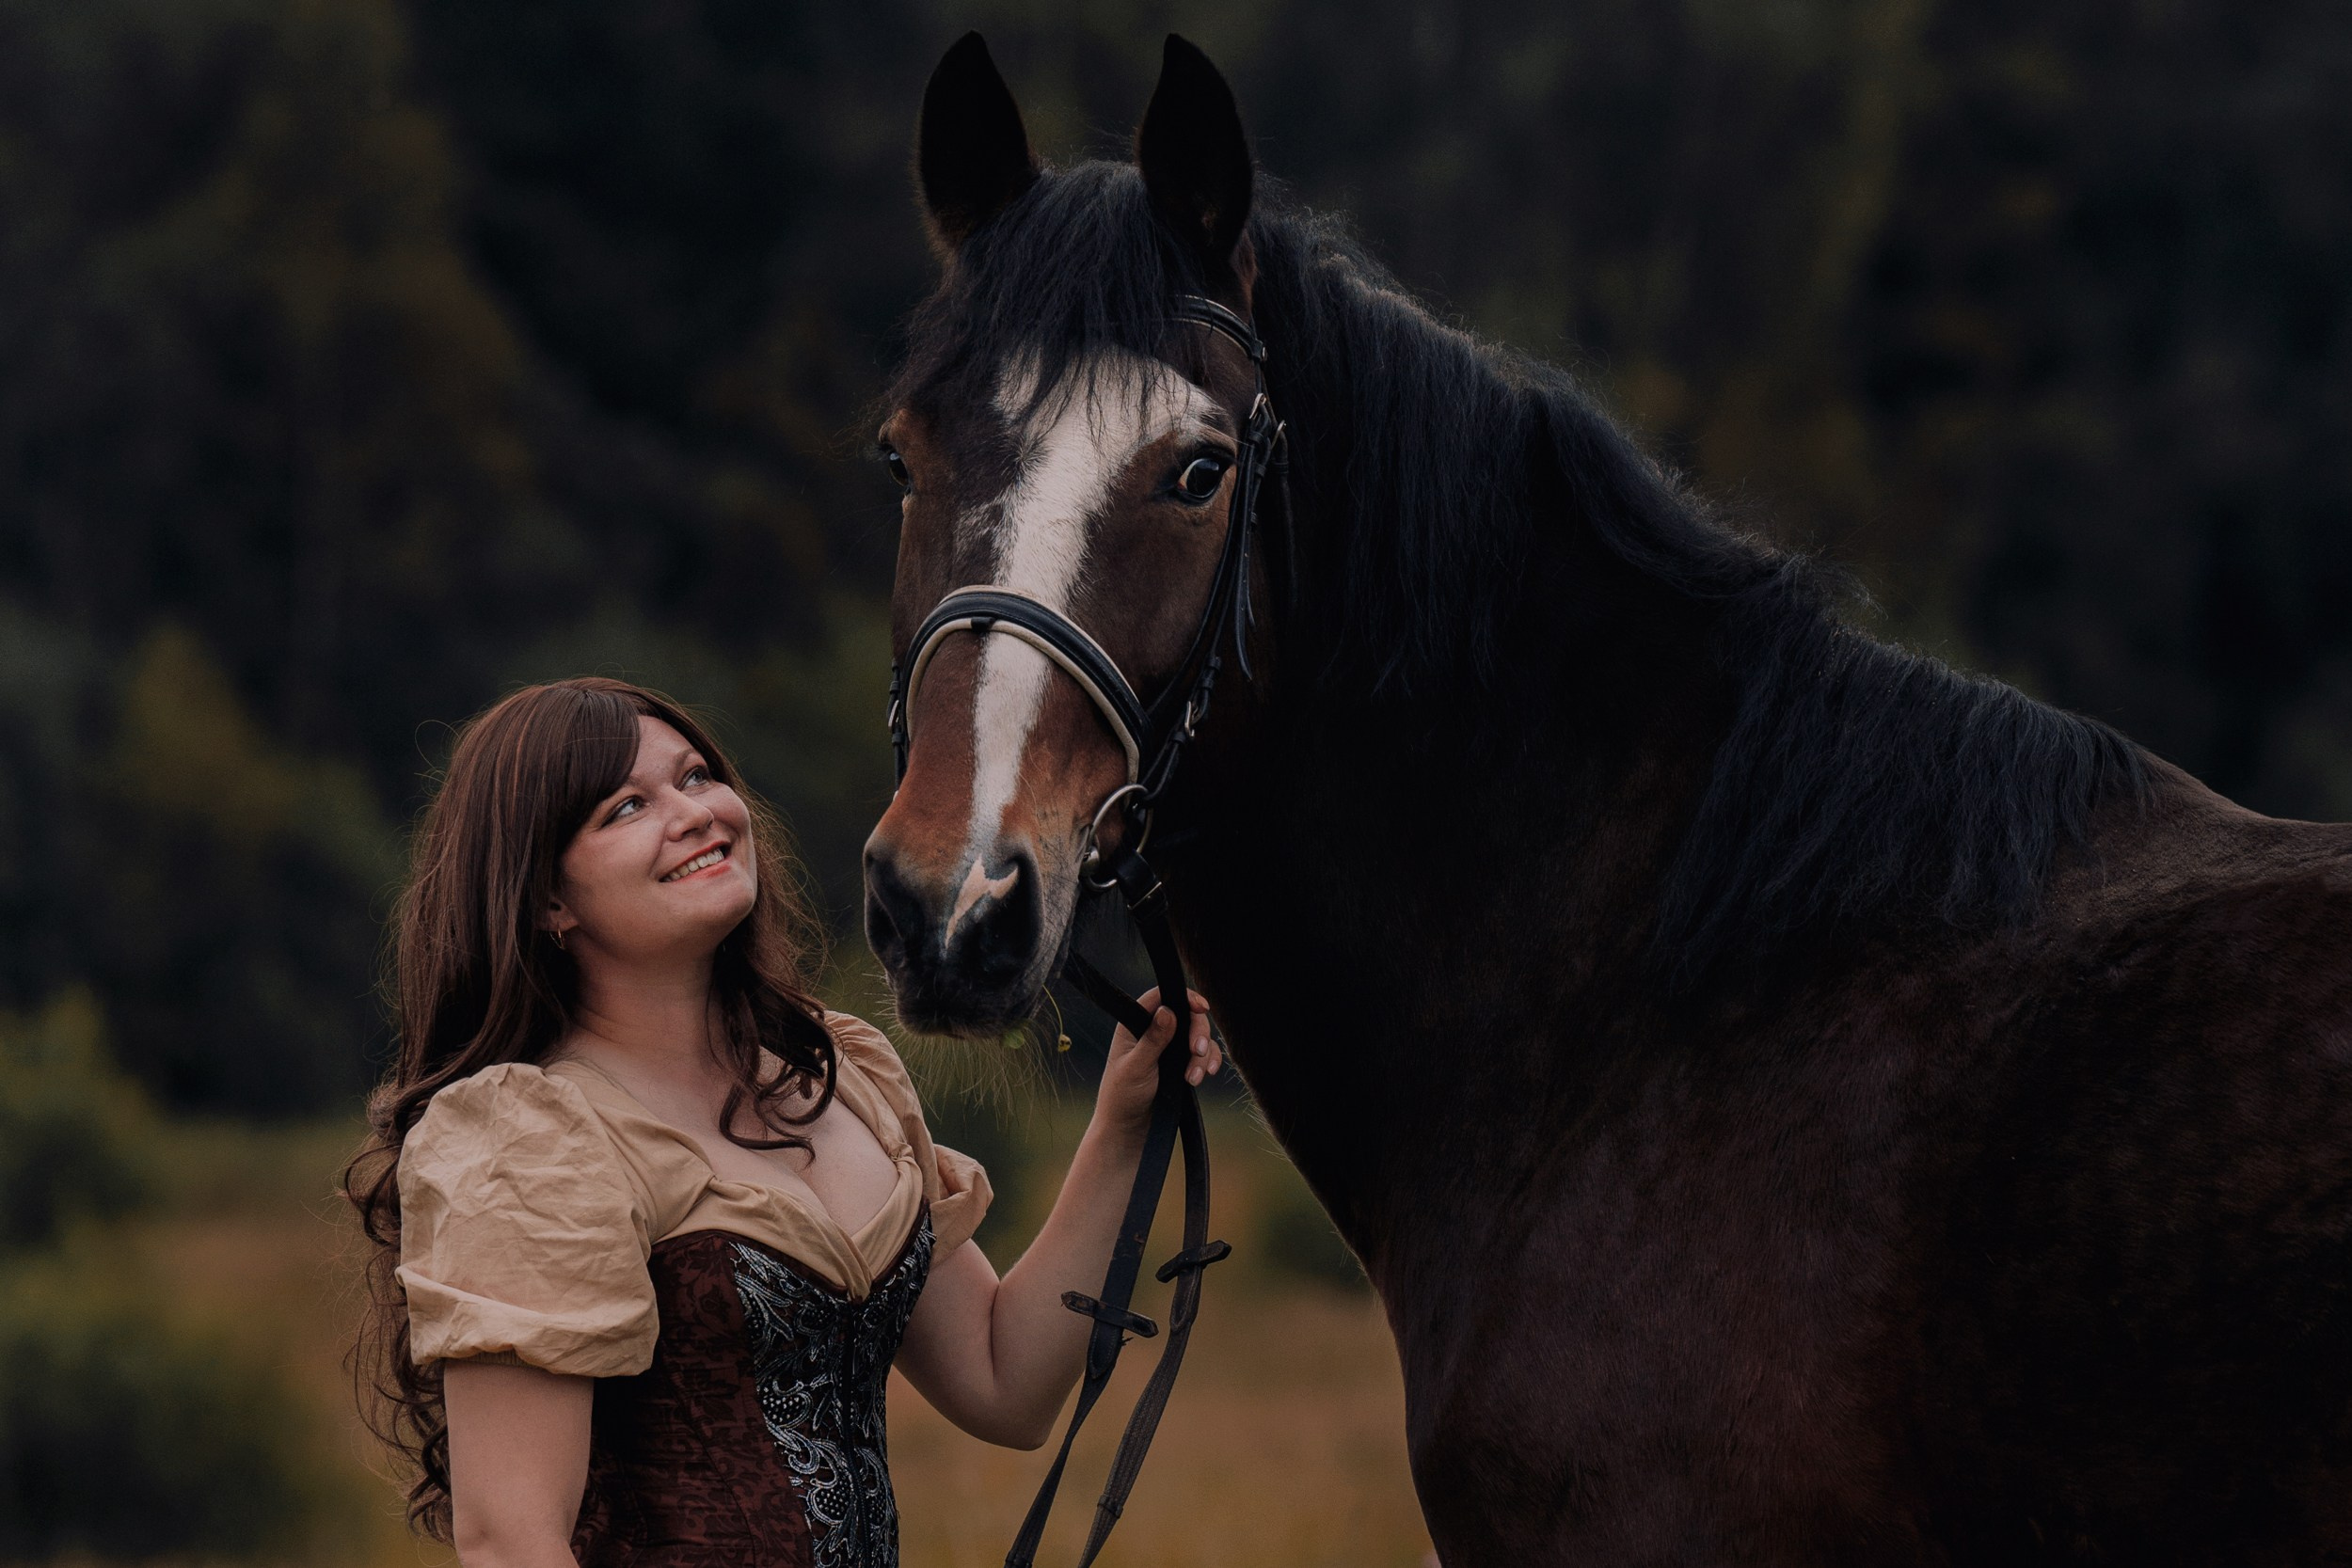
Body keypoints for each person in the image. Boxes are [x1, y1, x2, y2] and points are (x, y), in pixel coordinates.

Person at [345, 677, 1218, 1567]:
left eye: (695, 776)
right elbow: (510, 1542)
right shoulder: (528, 1139)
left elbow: (1006, 1383)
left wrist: (1122, 1121)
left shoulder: (838, 1076)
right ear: (547, 901)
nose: (692, 813)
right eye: (626, 807)